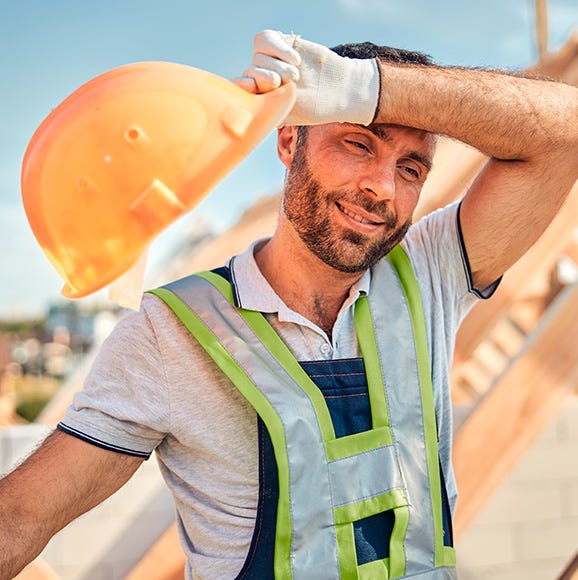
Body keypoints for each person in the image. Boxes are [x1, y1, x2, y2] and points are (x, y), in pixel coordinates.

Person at [1, 29, 577, 580]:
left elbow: (567, 128)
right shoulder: (171, 332)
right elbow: (22, 517)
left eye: (411, 169)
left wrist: (366, 89)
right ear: (287, 139)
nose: (383, 188)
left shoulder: (428, 273)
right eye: (358, 143)